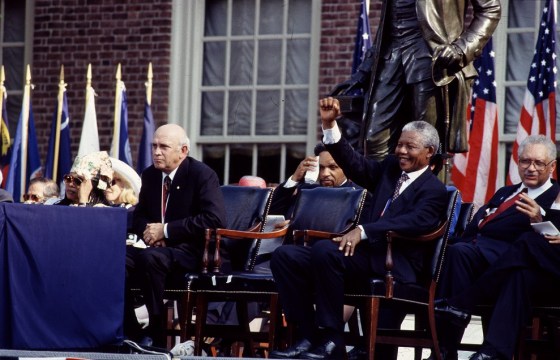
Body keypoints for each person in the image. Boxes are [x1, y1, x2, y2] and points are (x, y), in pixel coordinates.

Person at [269, 97, 447, 359]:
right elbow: (353, 163)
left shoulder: (435, 190)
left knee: (326, 252)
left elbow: (415, 222)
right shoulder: (389, 170)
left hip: (396, 265)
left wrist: (364, 230)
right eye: (399, 144)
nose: (401, 151)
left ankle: (332, 341)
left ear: (429, 152)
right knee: (287, 256)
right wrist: (330, 124)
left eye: (410, 146)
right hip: (367, 258)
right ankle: (307, 336)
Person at [431, 134, 560, 360]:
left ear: (552, 167)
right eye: (525, 161)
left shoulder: (554, 197)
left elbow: (551, 241)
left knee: (524, 252)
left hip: (521, 263)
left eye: (538, 163)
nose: (531, 168)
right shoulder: (505, 192)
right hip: (482, 255)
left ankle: (463, 307)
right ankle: (444, 349)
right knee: (457, 252)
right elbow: (479, 225)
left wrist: (540, 218)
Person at [331, 0, 501, 159]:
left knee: (426, 141)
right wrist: (364, 70)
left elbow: (490, 8)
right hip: (391, 56)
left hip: (431, 57)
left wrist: (461, 49)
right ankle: (384, 191)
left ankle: (426, 190)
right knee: (374, 140)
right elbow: (387, 26)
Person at [125, 124, 226, 348]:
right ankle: (131, 329)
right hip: (157, 248)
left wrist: (167, 230)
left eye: (163, 147)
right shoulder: (150, 175)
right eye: (154, 146)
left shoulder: (201, 174)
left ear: (183, 151)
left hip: (191, 251)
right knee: (116, 257)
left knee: (150, 259)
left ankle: (156, 333)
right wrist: (151, 233)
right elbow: (139, 215)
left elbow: (215, 219)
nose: (156, 152)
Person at [435, 198, 560, 360]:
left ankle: (463, 303)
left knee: (528, 240)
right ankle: (493, 351)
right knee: (520, 275)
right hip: (549, 268)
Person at [270, 142, 359, 218]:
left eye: (333, 167)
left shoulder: (358, 195)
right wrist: (295, 178)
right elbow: (272, 213)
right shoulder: (306, 190)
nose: (325, 174)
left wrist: (296, 224)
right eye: (320, 168)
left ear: (347, 168)